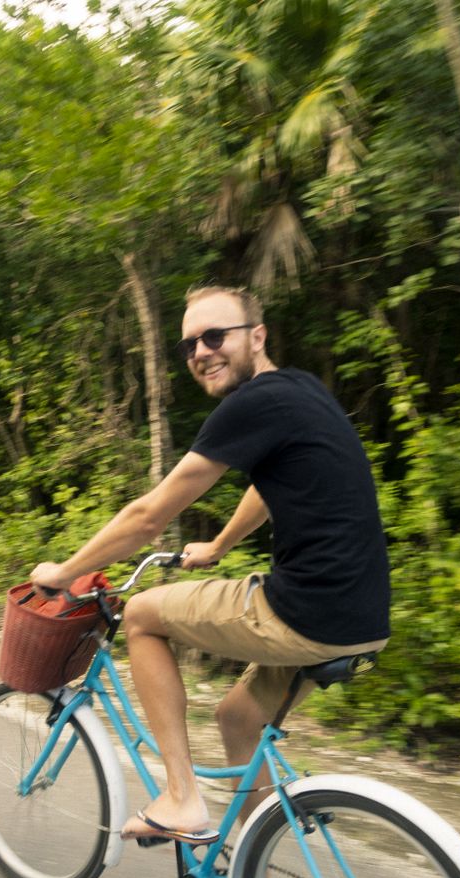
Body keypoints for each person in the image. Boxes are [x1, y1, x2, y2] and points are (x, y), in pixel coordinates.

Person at [30, 285, 390, 846]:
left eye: (216, 336)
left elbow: (148, 517)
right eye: (189, 345)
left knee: (144, 614)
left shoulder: (253, 402)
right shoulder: (300, 390)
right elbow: (271, 488)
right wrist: (219, 545)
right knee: (239, 720)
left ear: (257, 336)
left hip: (306, 610)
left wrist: (63, 571)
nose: (201, 352)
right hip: (362, 619)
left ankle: (181, 799)